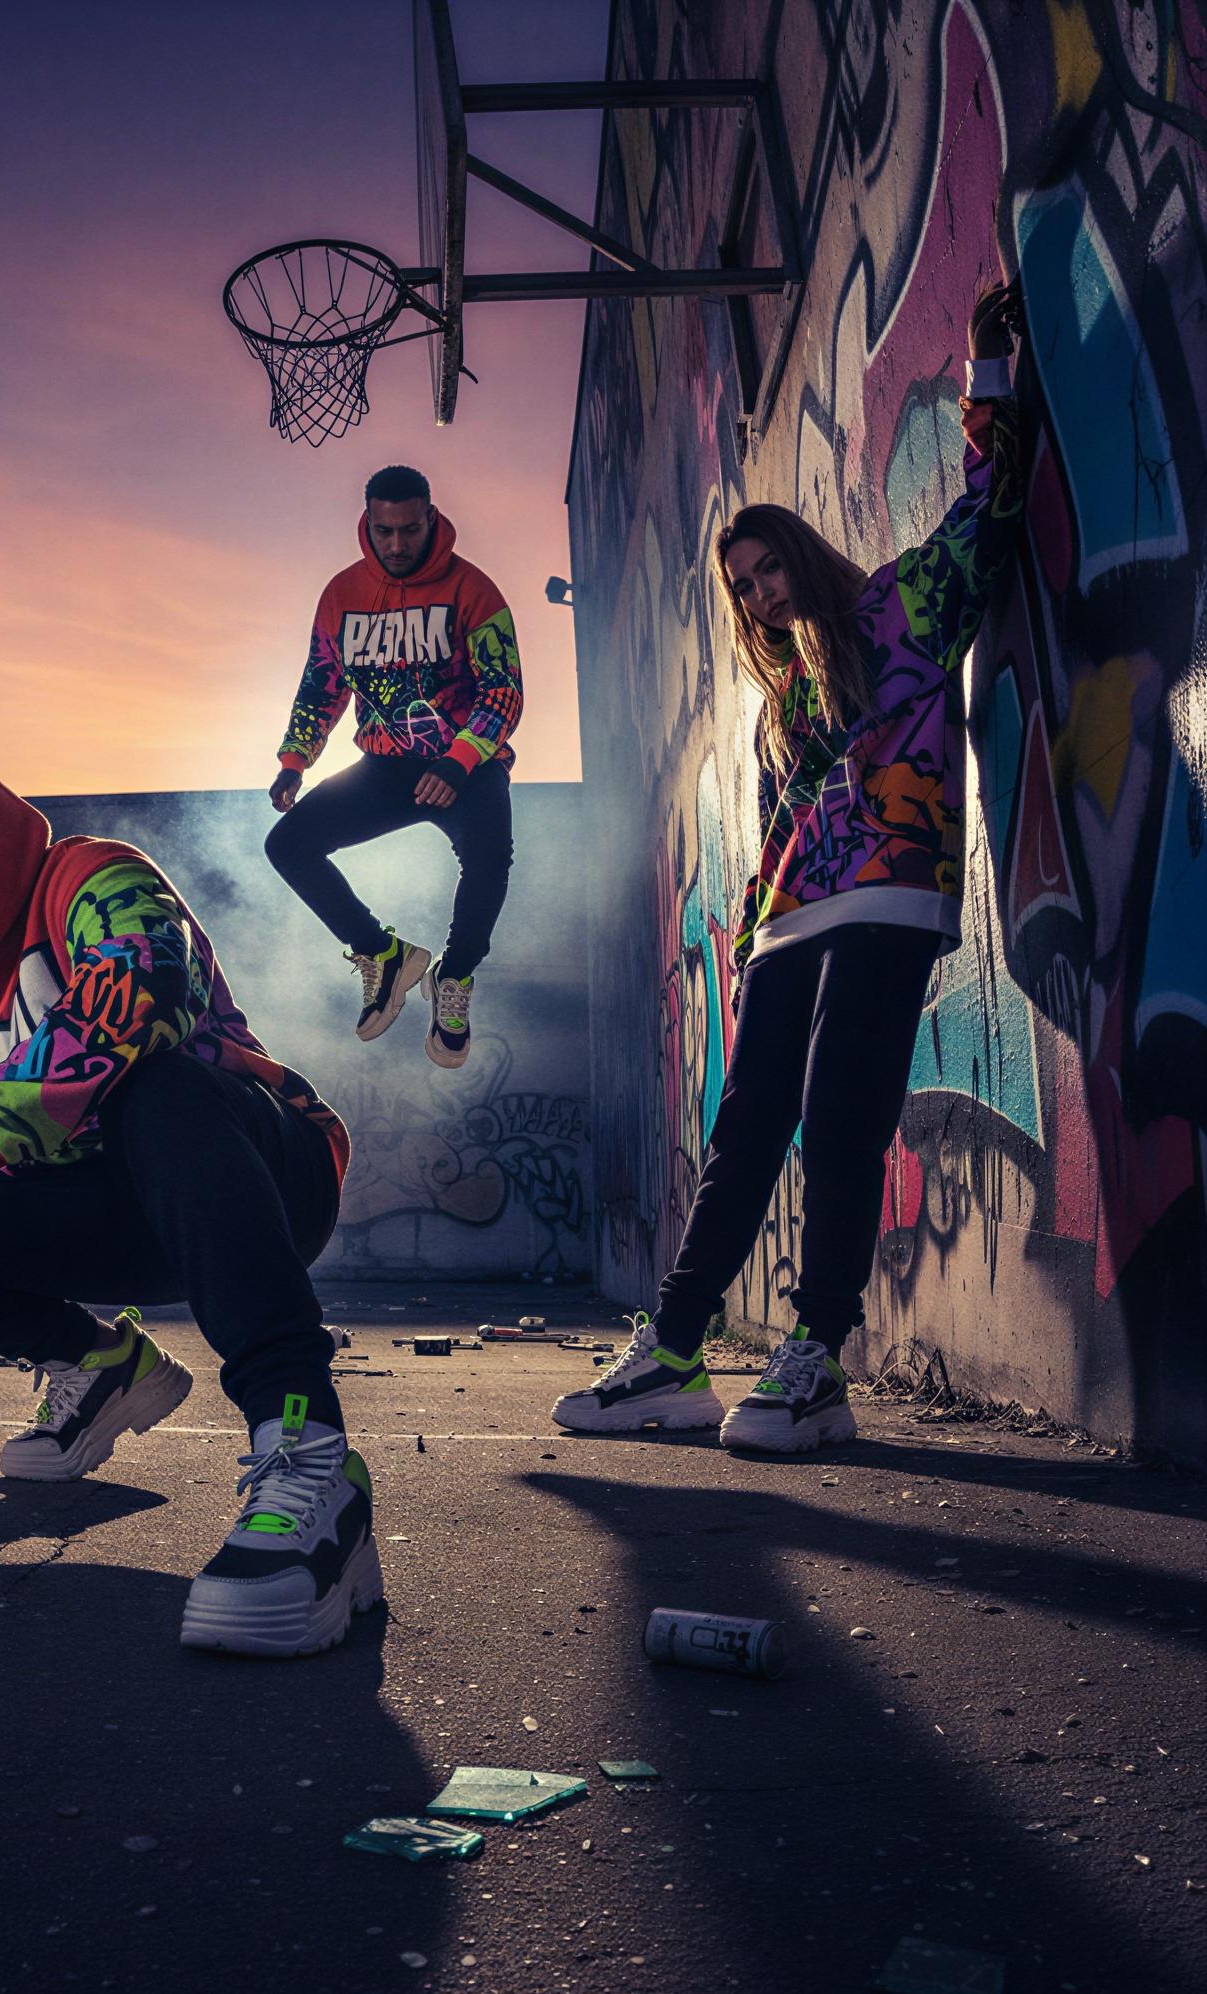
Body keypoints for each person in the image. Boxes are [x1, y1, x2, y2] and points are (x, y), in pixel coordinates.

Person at [0, 735, 380, 1658]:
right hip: (112, 1225)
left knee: (155, 1082)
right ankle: (100, 1365)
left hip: (260, 1178)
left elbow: (143, 987)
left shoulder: (91, 878)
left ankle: (312, 1456)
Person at [555, 282, 1025, 1453]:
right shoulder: (777, 713)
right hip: (785, 919)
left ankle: (815, 1358)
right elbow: (776, 829)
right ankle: (669, 1349)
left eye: (767, 568)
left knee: (839, 1112)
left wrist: (990, 380)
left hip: (888, 896)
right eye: (743, 585)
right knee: (748, 1117)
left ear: (802, 558)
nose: (760, 593)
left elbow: (989, 512)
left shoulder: (903, 607)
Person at [264, 465, 523, 1069]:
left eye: (410, 529)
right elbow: (320, 685)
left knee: (489, 860)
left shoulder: (474, 591)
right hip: (384, 765)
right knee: (288, 846)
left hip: (466, 766)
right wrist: (295, 760)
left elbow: (504, 692)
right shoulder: (341, 597)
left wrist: (460, 763)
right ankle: (382, 954)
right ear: (369, 525)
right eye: (385, 532)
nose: (399, 544)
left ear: (431, 519)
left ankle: (451, 978)